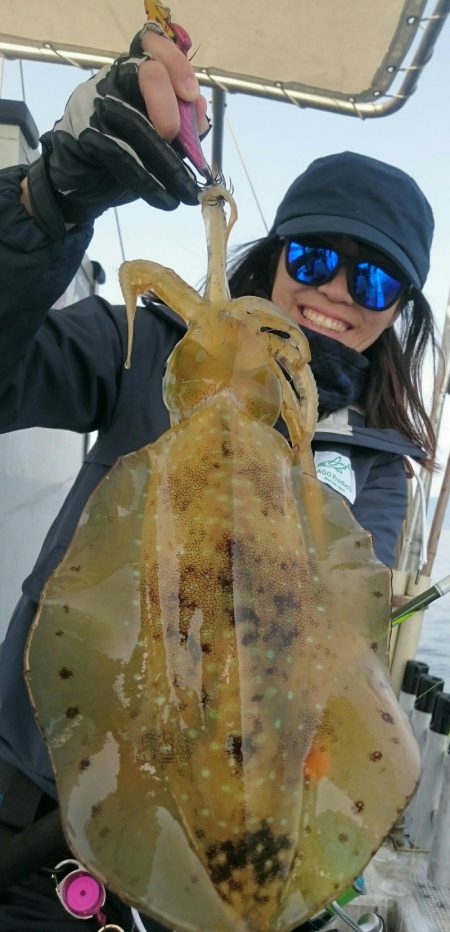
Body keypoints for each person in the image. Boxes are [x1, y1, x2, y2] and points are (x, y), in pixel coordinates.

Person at [0, 16, 438, 932]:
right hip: (41, 810)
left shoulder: (377, 461)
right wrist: (48, 205)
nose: (334, 294)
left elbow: (337, 640)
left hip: (249, 814)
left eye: (374, 283)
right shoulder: (145, 346)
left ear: (398, 311)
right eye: (316, 258)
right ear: (276, 255)